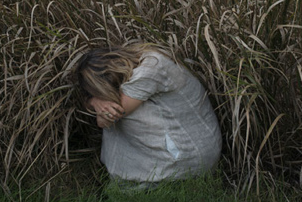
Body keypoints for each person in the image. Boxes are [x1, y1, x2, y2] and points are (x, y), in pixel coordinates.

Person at [74, 43, 222, 184]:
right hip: (192, 145)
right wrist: (95, 101)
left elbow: (105, 119)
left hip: (192, 156)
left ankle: (141, 179)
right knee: (119, 106)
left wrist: (98, 103)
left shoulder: (150, 71)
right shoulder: (142, 60)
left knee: (123, 115)